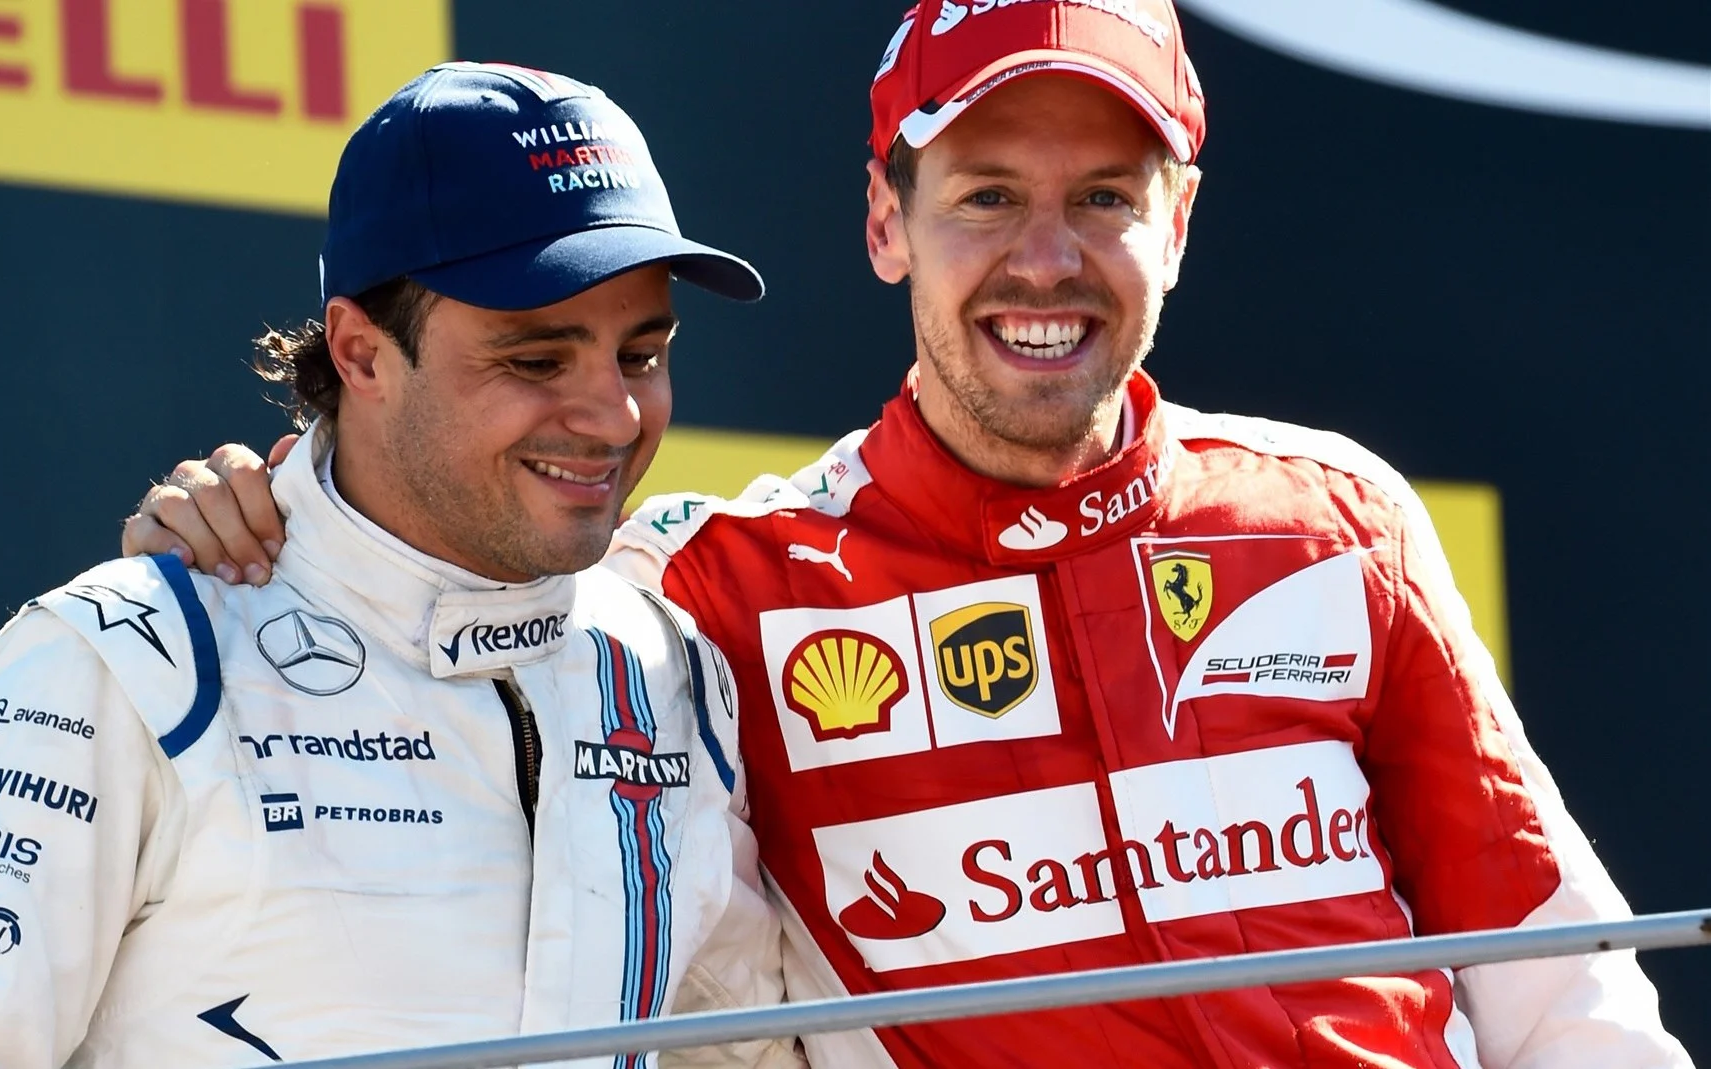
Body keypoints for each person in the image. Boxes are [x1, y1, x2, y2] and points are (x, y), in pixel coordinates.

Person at [122, 5, 1692, 1067]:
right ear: (888, 224)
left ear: (1181, 222)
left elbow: (1560, 971)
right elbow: (437, 557)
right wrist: (272, 506)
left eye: (1108, 197)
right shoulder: (709, 587)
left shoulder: (1336, 514)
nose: (1048, 260)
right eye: (986, 197)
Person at [0, 62, 803, 1069]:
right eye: (533, 361)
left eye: (641, 356)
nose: (613, 416)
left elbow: (742, 1049)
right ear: (362, 352)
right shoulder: (129, 662)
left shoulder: (666, 670)